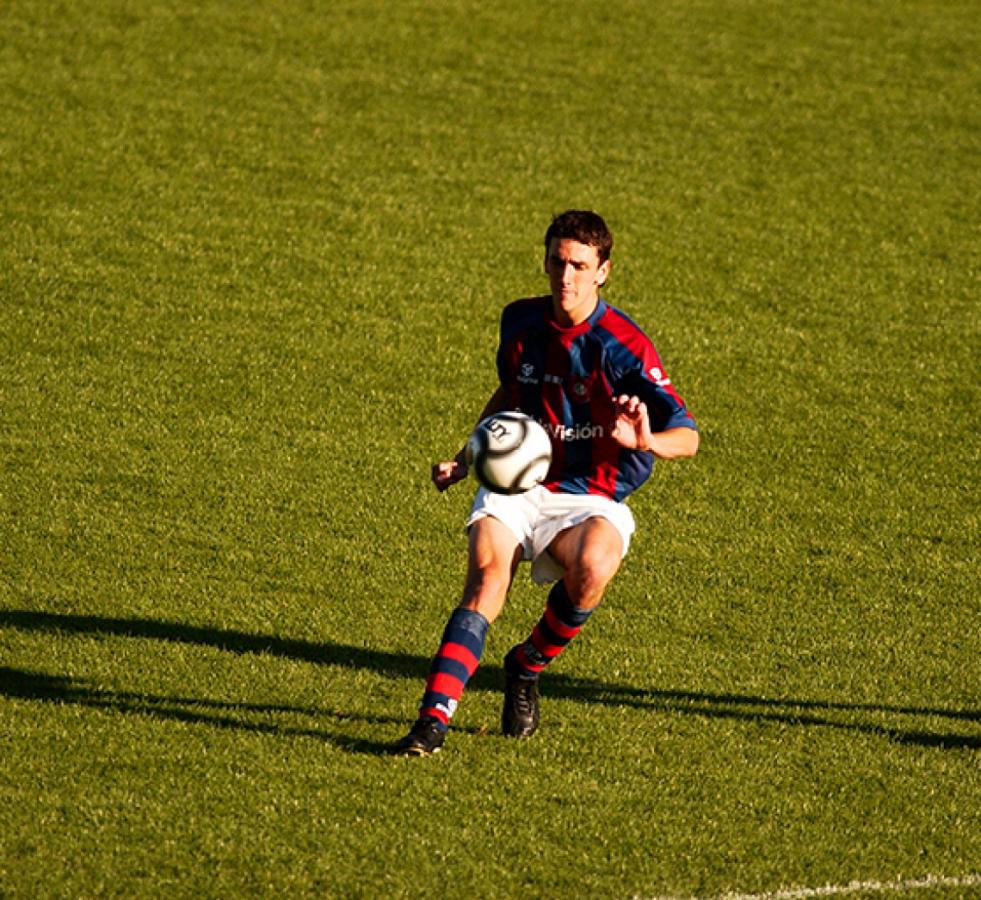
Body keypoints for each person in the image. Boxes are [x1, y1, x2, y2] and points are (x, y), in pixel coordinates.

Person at [391, 210, 699, 756]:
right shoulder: (520, 322)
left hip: (589, 494)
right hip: (517, 482)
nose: (566, 276)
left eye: (580, 265)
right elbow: (508, 396)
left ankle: (527, 665)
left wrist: (646, 441)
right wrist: (466, 459)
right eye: (558, 261)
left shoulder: (624, 345)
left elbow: (688, 437)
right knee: (487, 583)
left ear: (602, 271)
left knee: (593, 570)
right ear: (545, 260)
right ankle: (430, 725)